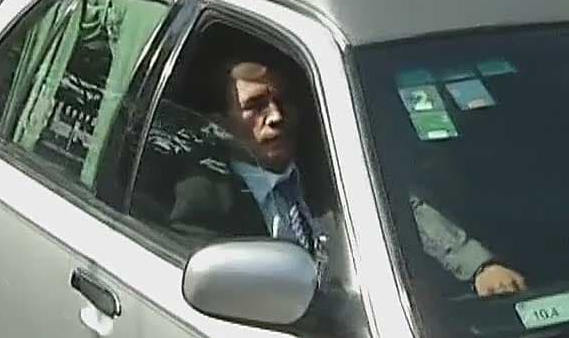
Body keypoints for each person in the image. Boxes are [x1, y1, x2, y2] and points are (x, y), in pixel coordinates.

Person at [173, 36, 526, 298]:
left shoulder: (330, 168)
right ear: (221, 122)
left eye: (281, 100)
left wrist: (480, 266)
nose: (277, 116)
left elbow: (401, 210)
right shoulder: (204, 200)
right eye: (256, 106)